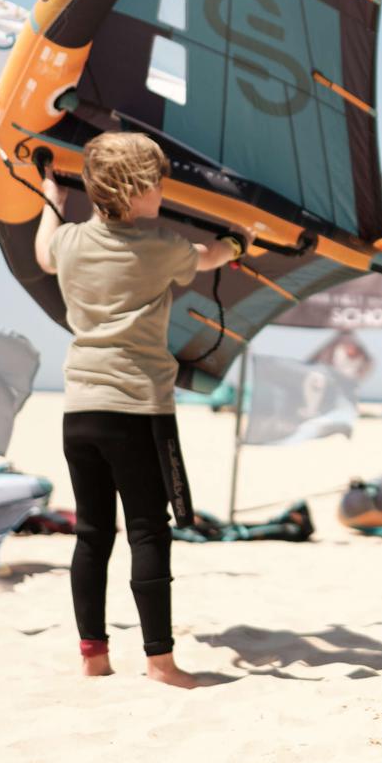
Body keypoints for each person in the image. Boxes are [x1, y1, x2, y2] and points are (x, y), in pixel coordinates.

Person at [33, 131, 238, 688]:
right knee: (148, 530)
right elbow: (210, 256)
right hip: (139, 410)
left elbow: (42, 249)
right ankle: (160, 661)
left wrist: (52, 196)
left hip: (80, 411)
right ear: (138, 190)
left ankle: (93, 655)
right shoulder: (163, 248)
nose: (164, 192)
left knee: (93, 534)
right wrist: (238, 244)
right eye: (159, 183)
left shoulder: (71, 242)